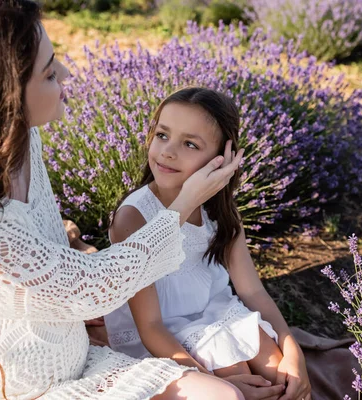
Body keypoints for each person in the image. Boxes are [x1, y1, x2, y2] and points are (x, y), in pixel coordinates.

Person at [0, 1, 247, 399]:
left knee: (222, 395)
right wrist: (182, 205)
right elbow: (90, 286)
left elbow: (50, 266)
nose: (68, 74)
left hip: (70, 355)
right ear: (2, 95)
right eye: (50, 71)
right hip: (4, 386)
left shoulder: (21, 142)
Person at [104, 88, 311, 400]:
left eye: (189, 144)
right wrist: (216, 384)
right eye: (162, 134)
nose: (168, 152)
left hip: (215, 314)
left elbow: (251, 291)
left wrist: (293, 348)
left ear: (223, 157)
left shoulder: (219, 212)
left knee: (283, 380)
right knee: (236, 376)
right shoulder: (133, 219)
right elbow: (150, 327)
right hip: (163, 338)